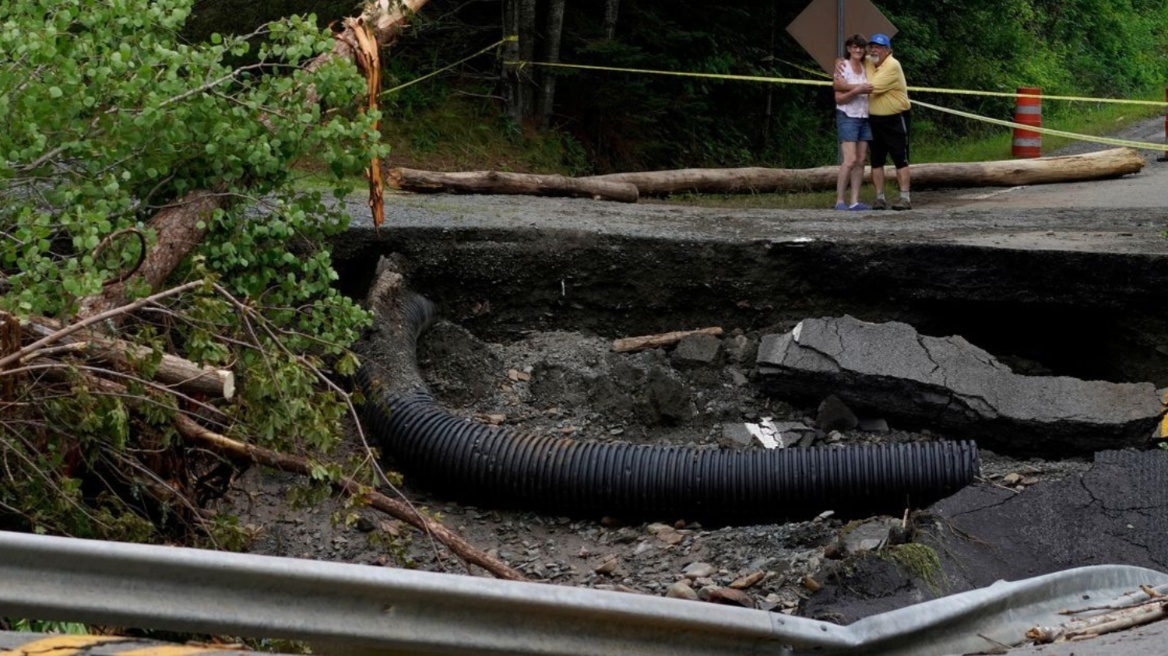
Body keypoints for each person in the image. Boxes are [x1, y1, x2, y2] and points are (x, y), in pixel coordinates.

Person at [864, 33, 913, 210]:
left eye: (880, 47)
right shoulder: (869, 61)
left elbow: (872, 88)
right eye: (873, 46)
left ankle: (905, 198)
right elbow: (851, 59)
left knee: (900, 158)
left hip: (895, 118)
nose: (875, 49)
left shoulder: (893, 65)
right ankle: (879, 198)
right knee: (876, 160)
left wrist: (852, 85)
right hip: (874, 119)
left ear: (888, 50)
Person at [832, 34, 874, 211]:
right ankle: (840, 200)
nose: (857, 50)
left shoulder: (867, 66)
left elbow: (883, 57)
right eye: (854, 47)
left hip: (865, 116)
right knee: (849, 160)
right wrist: (857, 90)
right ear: (848, 49)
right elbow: (839, 97)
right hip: (848, 116)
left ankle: (855, 200)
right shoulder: (843, 67)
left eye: (860, 47)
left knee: (861, 160)